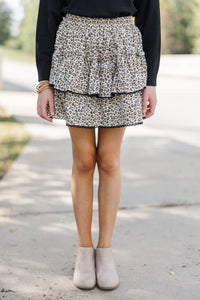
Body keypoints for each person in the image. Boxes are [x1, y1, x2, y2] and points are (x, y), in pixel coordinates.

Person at [35, 0, 161, 290]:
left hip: (122, 53)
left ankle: (104, 252)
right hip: (74, 53)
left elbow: (150, 20)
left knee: (108, 160)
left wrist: (150, 81)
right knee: (83, 159)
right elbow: (47, 18)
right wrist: (44, 82)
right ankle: (84, 250)